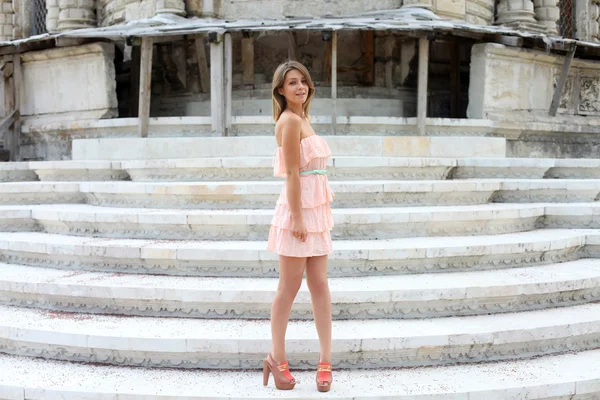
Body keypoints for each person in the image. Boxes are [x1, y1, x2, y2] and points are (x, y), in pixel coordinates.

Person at [263, 60, 334, 392]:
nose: (300, 86)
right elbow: (292, 174)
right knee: (288, 289)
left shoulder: (304, 118)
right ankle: (276, 358)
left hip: (315, 210)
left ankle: (325, 360)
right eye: (292, 83)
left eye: (303, 80)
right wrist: (299, 219)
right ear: (280, 90)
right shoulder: (289, 122)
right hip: (298, 213)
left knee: (319, 284)